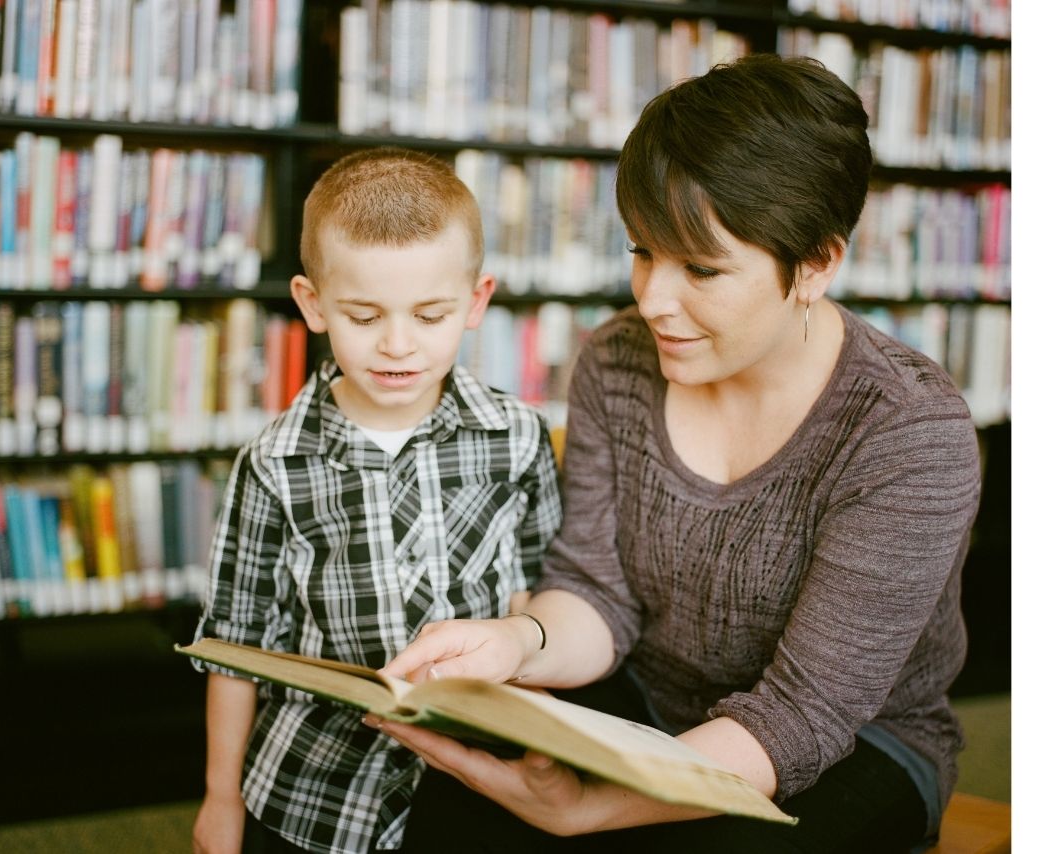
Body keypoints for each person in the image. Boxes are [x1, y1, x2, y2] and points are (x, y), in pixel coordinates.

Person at [374, 54, 982, 854]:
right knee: (456, 807)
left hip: (857, 746)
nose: (654, 300)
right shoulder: (617, 362)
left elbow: (802, 718)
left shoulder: (907, 432)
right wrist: (515, 643)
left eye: (701, 268)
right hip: (652, 701)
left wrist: (590, 806)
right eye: (642, 251)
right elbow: (598, 594)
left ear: (817, 265)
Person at [190, 147, 563, 854]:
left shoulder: (515, 436)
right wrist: (219, 798)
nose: (398, 346)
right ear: (313, 305)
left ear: (477, 301)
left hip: (479, 780)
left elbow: (543, 592)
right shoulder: (274, 463)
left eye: (430, 315)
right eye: (364, 316)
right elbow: (232, 647)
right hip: (317, 791)